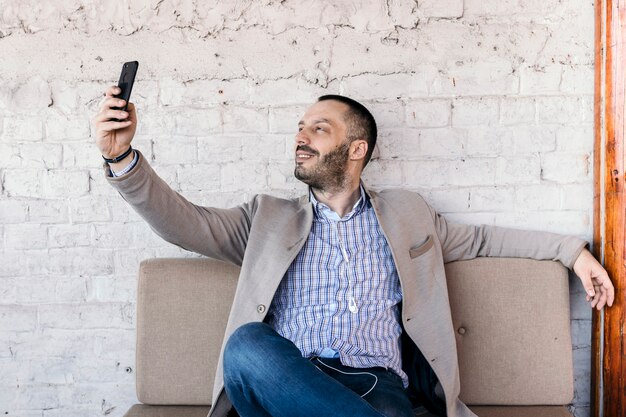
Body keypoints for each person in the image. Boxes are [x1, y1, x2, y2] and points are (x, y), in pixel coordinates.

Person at [93, 86, 615, 417]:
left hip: (377, 388)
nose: (301, 136)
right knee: (246, 346)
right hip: (287, 382)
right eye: (300, 127)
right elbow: (186, 224)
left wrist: (572, 252)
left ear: (356, 148)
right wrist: (123, 161)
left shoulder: (408, 215)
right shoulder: (267, 219)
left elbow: (483, 241)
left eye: (318, 128)